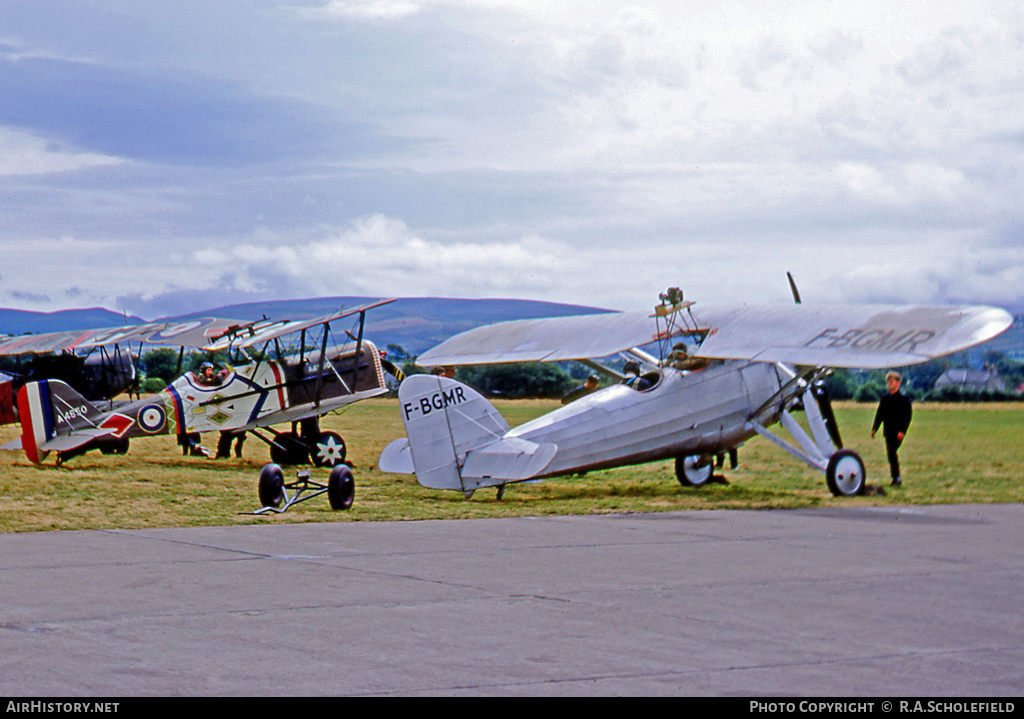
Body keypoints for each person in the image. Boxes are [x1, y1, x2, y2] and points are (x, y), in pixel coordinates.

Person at [871, 371, 913, 486]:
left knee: (892, 453)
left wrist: (902, 431)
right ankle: (896, 477)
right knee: (891, 454)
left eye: (892, 382)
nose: (889, 384)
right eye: (888, 382)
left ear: (898, 383)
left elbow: (907, 417)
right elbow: (880, 414)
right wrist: (875, 428)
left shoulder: (904, 400)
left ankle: (896, 477)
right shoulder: (885, 398)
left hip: (898, 432)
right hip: (888, 431)